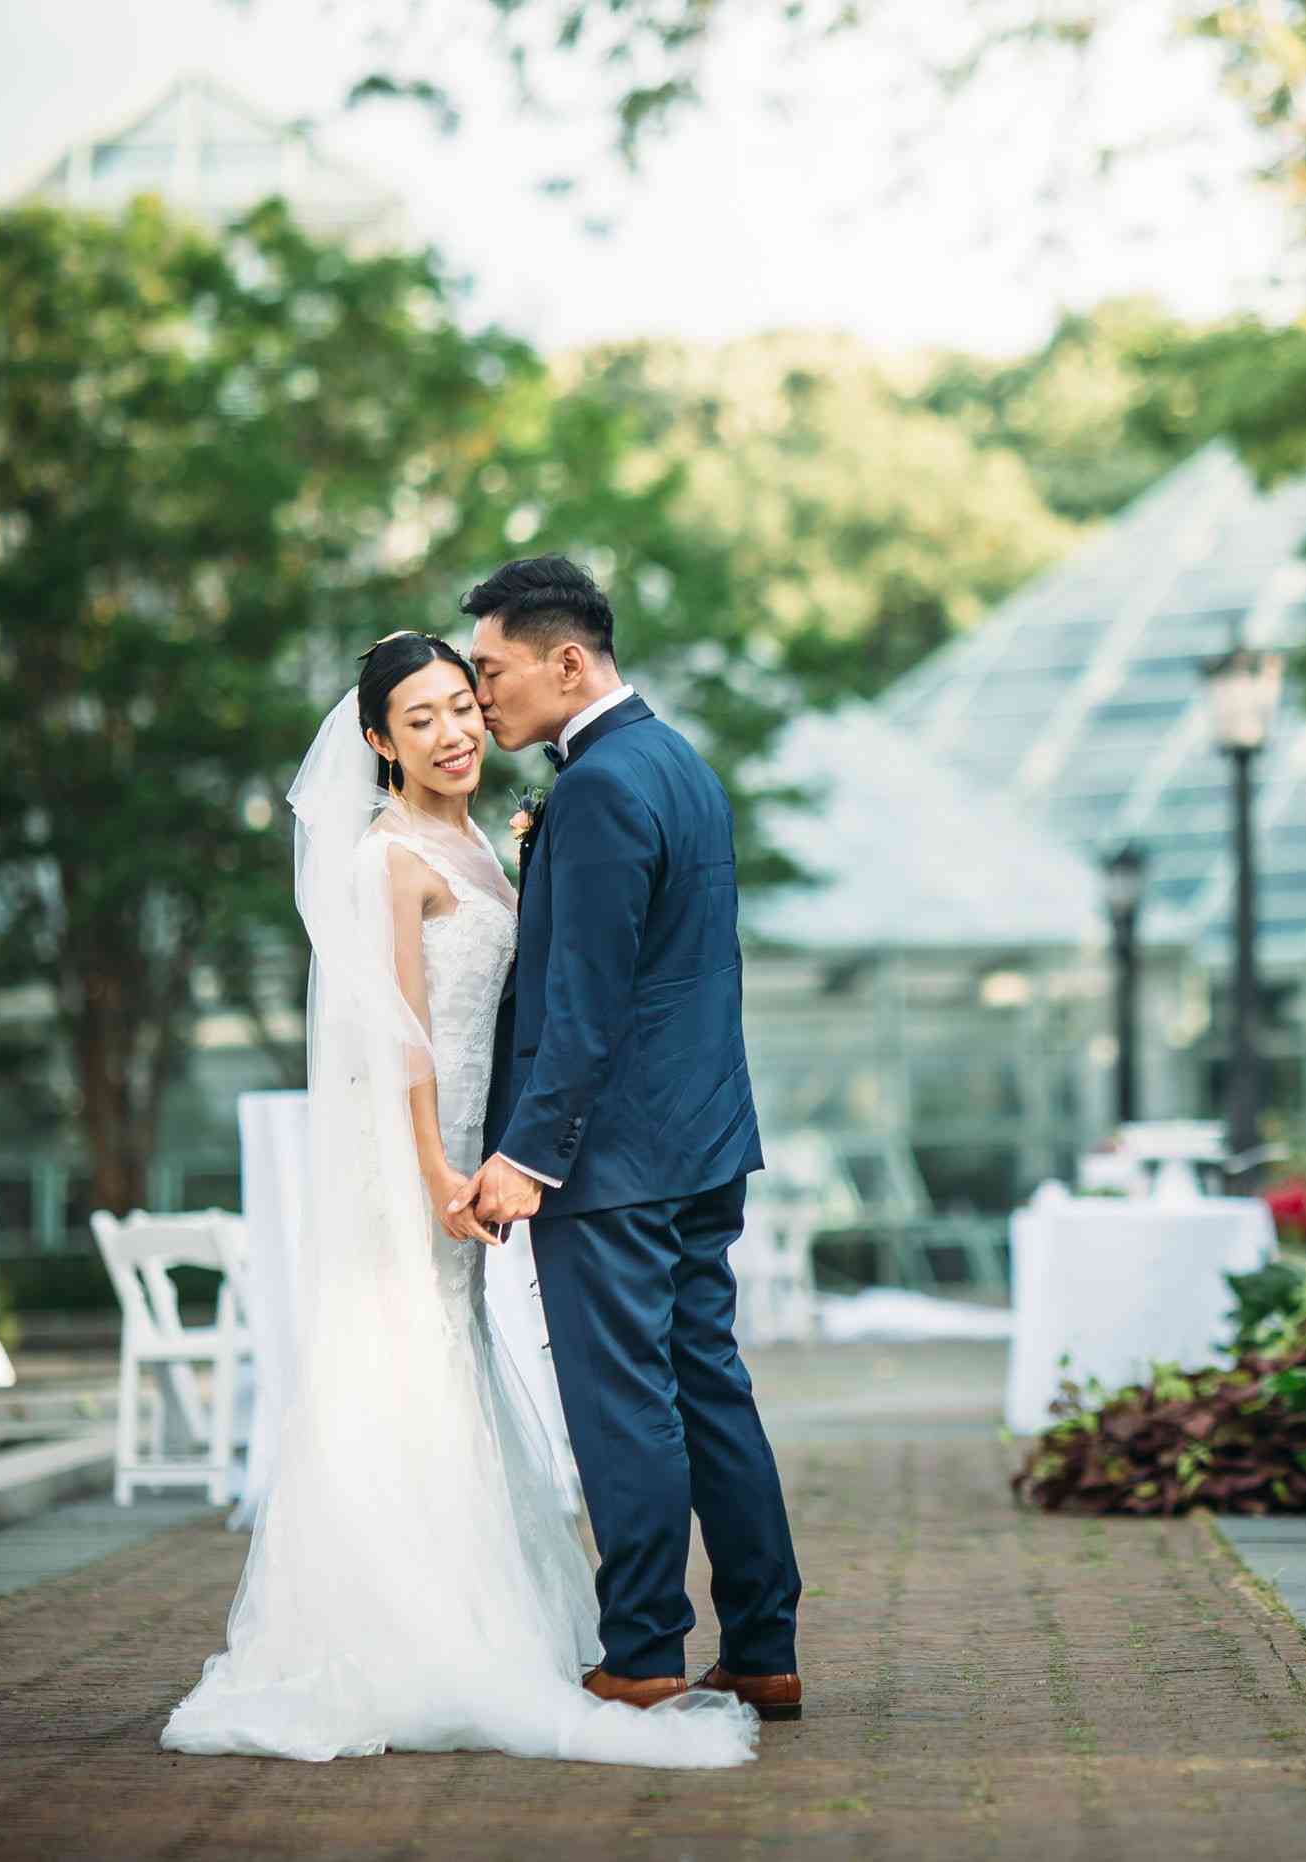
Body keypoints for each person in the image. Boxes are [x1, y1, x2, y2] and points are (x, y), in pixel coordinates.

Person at [161, 632, 757, 1768]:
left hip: (497, 1159)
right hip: (426, 1163)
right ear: (378, 743)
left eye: (462, 705)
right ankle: (395, 1634)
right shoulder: (385, 858)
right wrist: (437, 1166)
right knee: (400, 1359)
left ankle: (491, 1613)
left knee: (458, 1360)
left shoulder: (487, 836)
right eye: (422, 718)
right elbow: (396, 1037)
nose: (455, 730)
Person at [452, 556, 803, 1720]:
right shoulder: (678, 763)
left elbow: (586, 998)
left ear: (568, 659)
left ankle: (644, 1648)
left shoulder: (599, 787)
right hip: (702, 1137)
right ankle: (761, 1644)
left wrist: (530, 1153)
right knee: (708, 1385)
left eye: (492, 670)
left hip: (611, 1158)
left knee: (624, 1400)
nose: (481, 694)